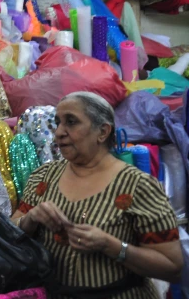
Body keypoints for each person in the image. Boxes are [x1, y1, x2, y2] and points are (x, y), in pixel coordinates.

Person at [12, 91, 183, 298]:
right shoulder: (43, 178)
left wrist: (112, 246)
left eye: (71, 122)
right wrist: (30, 218)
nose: (58, 132)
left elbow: (172, 267)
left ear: (102, 132)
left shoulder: (139, 186)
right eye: (58, 122)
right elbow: (9, 230)